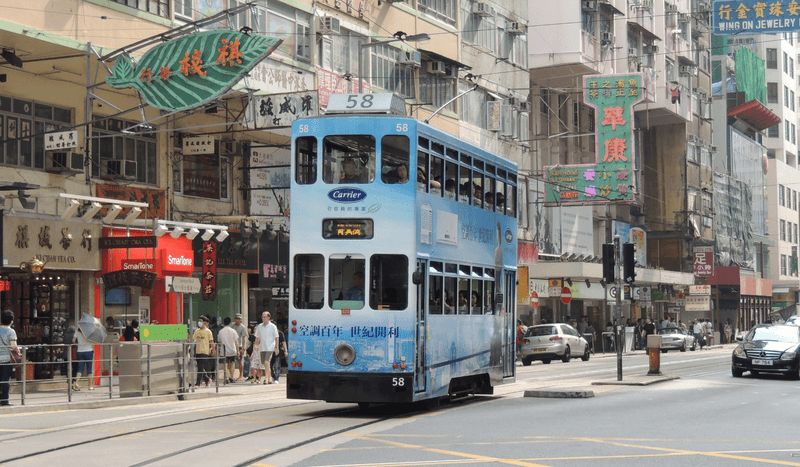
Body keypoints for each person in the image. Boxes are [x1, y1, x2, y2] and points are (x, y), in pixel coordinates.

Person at [1, 310, 20, 406]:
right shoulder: (11, 331)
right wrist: (18, 352)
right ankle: (4, 400)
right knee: (5, 380)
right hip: (6, 359)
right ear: (11, 321)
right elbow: (13, 346)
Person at [254, 312, 279, 385]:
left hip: (270, 347)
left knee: (266, 362)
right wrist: (255, 345)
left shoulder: (273, 326)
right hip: (262, 347)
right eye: (262, 317)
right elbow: (257, 337)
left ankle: (266, 378)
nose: (263, 318)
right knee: (265, 364)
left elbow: (276, 337)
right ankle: (270, 377)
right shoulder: (259, 326)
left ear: (269, 317)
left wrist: (276, 347)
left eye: (265, 317)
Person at [193, 316, 215, 387]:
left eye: (201, 321)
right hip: (197, 351)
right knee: (200, 367)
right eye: (199, 320)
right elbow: (193, 340)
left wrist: (213, 350)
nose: (199, 322)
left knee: (200, 367)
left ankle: (198, 383)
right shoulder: (197, 331)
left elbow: (211, 342)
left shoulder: (208, 332)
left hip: (204, 351)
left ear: (205, 323)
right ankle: (207, 379)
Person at [218, 317, 240, 384]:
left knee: (226, 364)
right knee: (232, 363)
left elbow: (219, 341)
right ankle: (232, 377)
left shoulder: (221, 331)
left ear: (223, 323)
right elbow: (236, 341)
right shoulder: (233, 331)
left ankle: (226, 377)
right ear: (230, 323)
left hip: (224, 350)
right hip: (232, 350)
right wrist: (238, 350)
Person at [73, 326, 95, 391]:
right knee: (89, 369)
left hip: (80, 351)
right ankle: (90, 386)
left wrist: (77, 343)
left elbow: (73, 340)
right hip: (89, 351)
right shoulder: (89, 331)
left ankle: (76, 383)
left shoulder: (77, 331)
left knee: (80, 369)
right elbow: (93, 341)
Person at [232, 314, 248, 381]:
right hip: (232, 346)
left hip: (239, 346)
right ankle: (231, 375)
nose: (238, 320)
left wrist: (244, 348)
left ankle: (240, 375)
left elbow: (244, 338)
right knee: (232, 361)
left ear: (241, 320)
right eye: (236, 319)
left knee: (239, 361)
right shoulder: (232, 325)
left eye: (239, 319)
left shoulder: (242, 327)